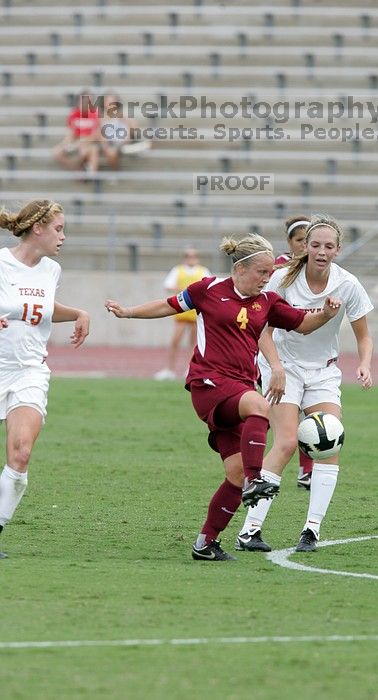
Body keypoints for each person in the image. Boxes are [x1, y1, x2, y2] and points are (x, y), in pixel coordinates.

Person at [105, 233, 341, 561]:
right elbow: (168, 305)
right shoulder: (208, 289)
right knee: (260, 406)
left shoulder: (268, 301)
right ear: (240, 269)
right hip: (208, 384)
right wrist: (128, 312)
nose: (266, 277)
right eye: (261, 271)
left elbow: (302, 324)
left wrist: (327, 314)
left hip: (240, 388)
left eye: (270, 272)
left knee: (234, 471)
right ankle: (255, 481)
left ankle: (206, 543)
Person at [236, 214, 373, 554]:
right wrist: (277, 367)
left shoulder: (347, 284)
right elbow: (262, 329)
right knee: (284, 443)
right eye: (315, 245)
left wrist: (365, 364)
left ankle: (311, 531)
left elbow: (364, 335)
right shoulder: (282, 279)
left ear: (338, 250)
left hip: (323, 371)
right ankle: (249, 530)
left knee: (330, 443)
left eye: (329, 246)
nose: (321, 251)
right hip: (284, 369)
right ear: (305, 248)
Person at [0, 199, 90, 558]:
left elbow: (43, 309)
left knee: (20, 452)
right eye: (58, 229)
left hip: (29, 370)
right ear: (37, 229)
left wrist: (79, 313)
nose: (63, 237)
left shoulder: (51, 270)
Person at [275, 216, 315, 490]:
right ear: (290, 243)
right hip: (276, 354)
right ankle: (253, 466)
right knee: (268, 414)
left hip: (308, 353)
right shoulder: (278, 268)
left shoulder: (320, 271)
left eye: (308, 241)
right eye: (300, 240)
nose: (305, 246)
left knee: (308, 415)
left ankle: (307, 470)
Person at [154, 247, 211, 380]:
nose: (191, 258)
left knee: (194, 343)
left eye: (193, 256)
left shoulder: (203, 271)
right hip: (181, 311)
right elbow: (168, 285)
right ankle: (170, 369)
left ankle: (190, 369)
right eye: (188, 256)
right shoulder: (178, 270)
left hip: (196, 312)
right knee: (175, 341)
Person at [53, 90, 100, 173]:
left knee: (90, 150)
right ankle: (76, 169)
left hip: (90, 143)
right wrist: (66, 143)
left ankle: (92, 174)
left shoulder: (96, 114)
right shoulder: (73, 114)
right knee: (56, 152)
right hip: (76, 141)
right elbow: (71, 132)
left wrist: (84, 141)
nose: (86, 104)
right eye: (84, 101)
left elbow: (97, 134)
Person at [98, 91, 140, 170]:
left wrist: (125, 118)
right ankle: (115, 171)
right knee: (111, 152)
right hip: (109, 143)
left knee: (112, 151)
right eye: (108, 102)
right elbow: (99, 134)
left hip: (122, 141)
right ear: (103, 103)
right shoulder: (100, 117)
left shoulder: (122, 114)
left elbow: (135, 128)